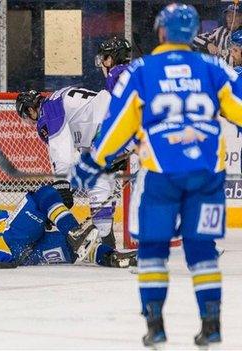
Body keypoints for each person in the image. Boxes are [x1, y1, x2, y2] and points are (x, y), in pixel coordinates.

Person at [70, 3, 242, 347]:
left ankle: (155, 326)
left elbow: (117, 126)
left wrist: (93, 163)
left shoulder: (143, 70)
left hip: (161, 177)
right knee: (202, 250)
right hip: (206, 177)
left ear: (162, 31)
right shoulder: (214, 67)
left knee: (152, 251)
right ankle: (211, 325)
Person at [14, 87, 124, 248]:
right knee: (106, 182)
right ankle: (108, 239)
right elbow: (77, 158)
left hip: (106, 123)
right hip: (118, 116)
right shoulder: (59, 100)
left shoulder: (48, 110)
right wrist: (65, 188)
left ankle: (105, 244)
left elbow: (61, 150)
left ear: (31, 109)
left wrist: (61, 185)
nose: (29, 122)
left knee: (97, 183)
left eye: (25, 116)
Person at [0, 182, 136, 269]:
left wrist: (42, 218)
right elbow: (2, 216)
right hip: (10, 239)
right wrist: (45, 213)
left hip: (22, 256)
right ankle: (73, 231)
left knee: (73, 248)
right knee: (43, 194)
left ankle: (112, 257)